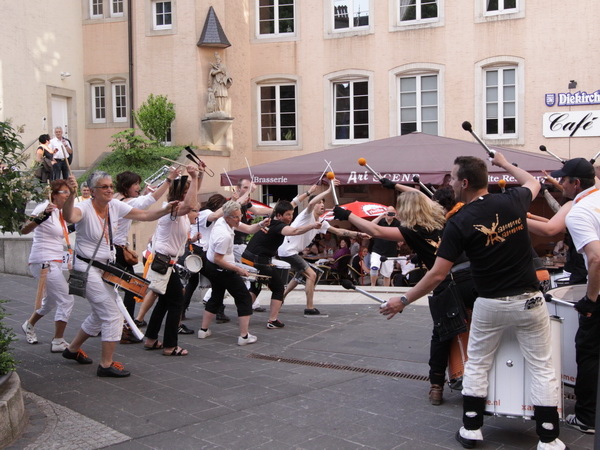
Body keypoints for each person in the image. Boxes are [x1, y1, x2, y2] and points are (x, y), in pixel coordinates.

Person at [371, 153, 564, 449]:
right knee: (541, 367)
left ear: (464, 182)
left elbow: (437, 274)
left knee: (477, 365)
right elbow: (532, 182)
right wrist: (503, 163)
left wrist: (403, 300)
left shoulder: (458, 222)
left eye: (452, 177)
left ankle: (472, 428)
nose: (449, 182)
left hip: (490, 304)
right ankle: (549, 438)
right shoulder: (512, 200)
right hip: (529, 300)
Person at [336, 182, 475, 406]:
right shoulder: (445, 219)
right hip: (472, 277)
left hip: (447, 283)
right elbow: (419, 194)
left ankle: (436, 386)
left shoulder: (411, 231)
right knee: (481, 328)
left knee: (441, 335)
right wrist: (396, 185)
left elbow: (375, 231)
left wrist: (347, 214)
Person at [61, 170, 190, 377]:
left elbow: (145, 215)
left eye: (110, 186)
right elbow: (69, 216)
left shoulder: (114, 205)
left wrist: (166, 210)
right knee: (112, 314)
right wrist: (70, 195)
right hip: (86, 267)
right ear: (92, 191)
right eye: (104, 187)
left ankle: (72, 349)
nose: (109, 190)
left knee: (99, 313)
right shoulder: (83, 208)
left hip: (105, 266)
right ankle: (106, 364)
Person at [549, 158, 599, 435]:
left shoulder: (579, 212)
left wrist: (590, 300)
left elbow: (596, 258)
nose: (560, 184)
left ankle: (586, 418)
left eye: (563, 180)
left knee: (589, 352)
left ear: (576, 183)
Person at [277, 182, 369, 316]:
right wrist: (329, 190)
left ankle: (281, 297)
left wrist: (359, 234)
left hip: (291, 252)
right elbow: (310, 203)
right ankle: (309, 307)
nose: (322, 205)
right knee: (312, 275)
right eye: (319, 202)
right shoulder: (306, 215)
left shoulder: (322, 222)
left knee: (299, 275)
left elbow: (339, 232)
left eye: (323, 203)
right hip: (287, 251)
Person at [113, 167, 179, 343]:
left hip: (113, 250)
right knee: (130, 289)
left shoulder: (117, 199)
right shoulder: (126, 203)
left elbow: (141, 201)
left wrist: (142, 195)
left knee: (112, 290)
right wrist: (169, 180)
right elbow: (150, 200)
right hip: (117, 250)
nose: (138, 186)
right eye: (135, 184)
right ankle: (126, 329)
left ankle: (109, 325)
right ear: (126, 186)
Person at [143, 165, 200, 356]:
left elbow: (192, 200)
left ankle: (151, 338)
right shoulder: (172, 209)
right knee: (176, 301)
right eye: (187, 191)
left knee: (165, 301)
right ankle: (170, 345)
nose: (191, 195)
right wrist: (194, 177)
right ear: (180, 193)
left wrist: (197, 176)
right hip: (164, 261)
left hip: (166, 261)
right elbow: (190, 205)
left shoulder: (177, 212)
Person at [198, 201, 270, 345]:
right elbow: (219, 259)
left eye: (240, 215)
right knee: (244, 298)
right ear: (227, 217)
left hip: (213, 267)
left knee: (216, 296)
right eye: (236, 217)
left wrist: (261, 224)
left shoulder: (223, 221)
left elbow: (248, 229)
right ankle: (244, 336)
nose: (239, 219)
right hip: (222, 269)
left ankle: (203, 330)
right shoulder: (224, 235)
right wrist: (238, 269)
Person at [242, 200, 322, 329]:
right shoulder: (279, 226)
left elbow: (294, 202)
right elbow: (295, 231)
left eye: (291, 214)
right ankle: (272, 320)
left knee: (256, 286)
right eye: (288, 214)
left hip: (248, 257)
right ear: (279, 215)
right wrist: (312, 226)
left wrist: (307, 193)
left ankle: (243, 312)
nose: (290, 217)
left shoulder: (270, 220)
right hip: (258, 261)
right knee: (279, 288)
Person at [20, 180, 75, 352]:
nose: (67, 195)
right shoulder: (44, 208)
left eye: (68, 192)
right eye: (64, 192)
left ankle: (29, 325)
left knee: (50, 302)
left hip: (55, 261)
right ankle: (58, 340)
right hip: (44, 261)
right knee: (66, 299)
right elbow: (24, 229)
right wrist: (42, 216)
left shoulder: (60, 212)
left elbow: (61, 232)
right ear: (54, 195)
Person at [232, 177, 273, 312]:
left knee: (241, 273)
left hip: (239, 243)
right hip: (234, 244)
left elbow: (257, 211)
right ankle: (252, 303)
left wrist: (274, 210)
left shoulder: (245, 202)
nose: (247, 190)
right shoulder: (234, 203)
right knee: (251, 270)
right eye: (245, 187)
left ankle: (252, 302)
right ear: (238, 189)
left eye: (248, 188)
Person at [369, 206, 400, 287]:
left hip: (390, 251)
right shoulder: (380, 221)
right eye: (389, 213)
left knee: (387, 273)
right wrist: (381, 216)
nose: (390, 215)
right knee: (374, 267)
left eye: (392, 213)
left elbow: (406, 227)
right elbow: (370, 225)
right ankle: (372, 286)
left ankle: (386, 289)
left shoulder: (397, 223)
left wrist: (398, 217)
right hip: (377, 249)